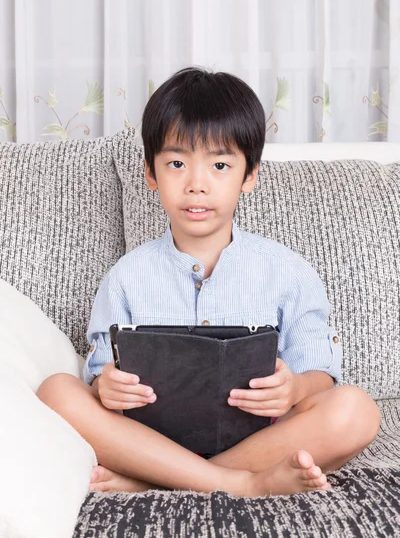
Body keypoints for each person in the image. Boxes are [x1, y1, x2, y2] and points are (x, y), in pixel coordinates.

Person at [36, 67, 380, 497]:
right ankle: (238, 483)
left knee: (357, 410)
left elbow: (322, 377)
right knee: (56, 391)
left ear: (249, 176)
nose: (197, 185)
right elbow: (100, 379)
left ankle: (151, 482)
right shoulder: (125, 277)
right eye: (177, 163)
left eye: (219, 165)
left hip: (261, 439)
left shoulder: (288, 271)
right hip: (150, 440)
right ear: (151, 174)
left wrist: (293, 387)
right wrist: (106, 384)